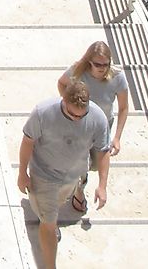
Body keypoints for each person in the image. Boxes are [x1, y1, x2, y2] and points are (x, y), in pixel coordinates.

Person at [18, 79, 110, 269]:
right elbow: (27, 141)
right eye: (71, 114)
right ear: (63, 100)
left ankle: (49, 219)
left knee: (54, 210)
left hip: (72, 176)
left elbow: (103, 151)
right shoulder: (43, 112)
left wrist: (102, 185)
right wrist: (22, 172)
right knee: (48, 221)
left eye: (80, 116)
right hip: (44, 175)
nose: (76, 119)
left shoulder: (98, 118)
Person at [57, 41, 129, 214]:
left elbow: (124, 107)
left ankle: (79, 184)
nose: (102, 68)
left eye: (106, 64)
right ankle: (79, 190)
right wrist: (69, 105)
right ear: (89, 61)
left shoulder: (117, 77)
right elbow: (61, 83)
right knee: (81, 162)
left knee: (96, 164)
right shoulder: (78, 71)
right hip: (79, 126)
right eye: (97, 64)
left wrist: (117, 137)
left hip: (103, 128)